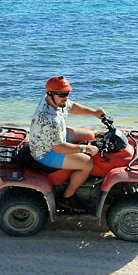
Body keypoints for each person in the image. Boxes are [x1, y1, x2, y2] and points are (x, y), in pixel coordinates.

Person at [29, 76, 106, 212]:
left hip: (54, 137)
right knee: (87, 163)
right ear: (50, 94)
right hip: (46, 152)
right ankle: (67, 198)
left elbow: (72, 107)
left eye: (67, 93)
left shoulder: (54, 100)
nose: (65, 97)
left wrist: (94, 113)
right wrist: (84, 148)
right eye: (62, 94)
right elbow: (59, 148)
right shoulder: (50, 119)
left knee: (89, 134)